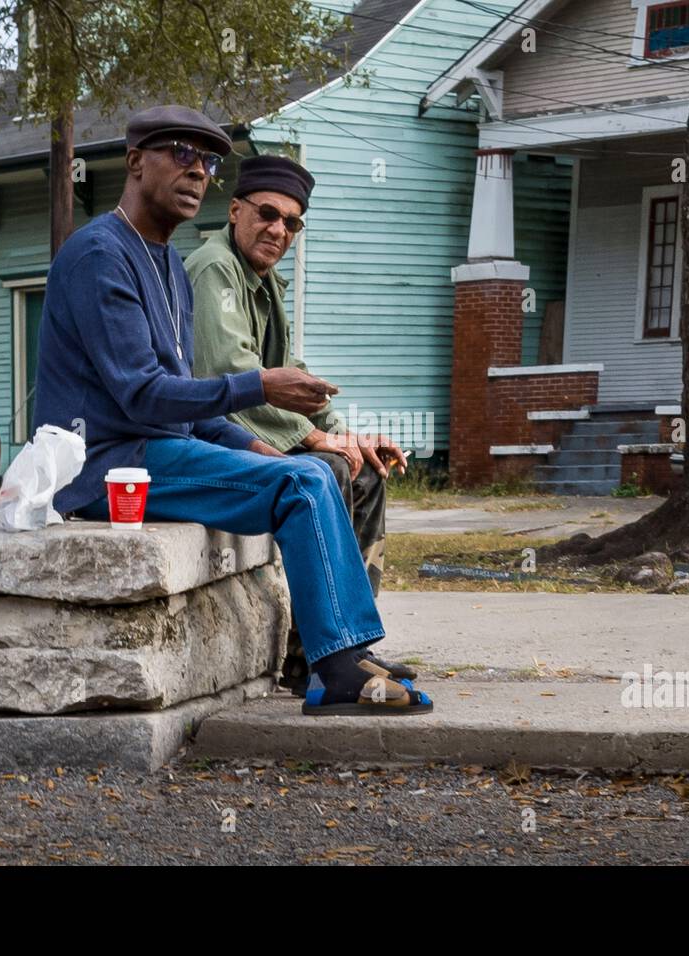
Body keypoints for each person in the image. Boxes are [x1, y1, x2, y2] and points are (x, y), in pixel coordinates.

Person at [32, 105, 431, 715]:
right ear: (136, 161)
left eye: (210, 161)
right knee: (302, 483)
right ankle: (334, 669)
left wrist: (258, 449)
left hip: (152, 453)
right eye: (182, 154)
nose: (198, 172)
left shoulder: (167, 263)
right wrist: (261, 387)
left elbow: (186, 408)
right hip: (105, 468)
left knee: (312, 473)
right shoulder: (99, 256)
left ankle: (347, 655)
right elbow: (144, 395)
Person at [186, 154, 413, 697]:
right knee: (326, 468)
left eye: (292, 222)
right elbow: (231, 374)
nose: (279, 229)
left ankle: (343, 645)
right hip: (213, 437)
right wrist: (316, 439)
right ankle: (321, 651)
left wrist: (350, 434)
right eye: (268, 214)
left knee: (365, 470)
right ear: (236, 209)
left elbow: (295, 379)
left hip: (255, 432)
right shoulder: (215, 268)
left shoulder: (265, 284)